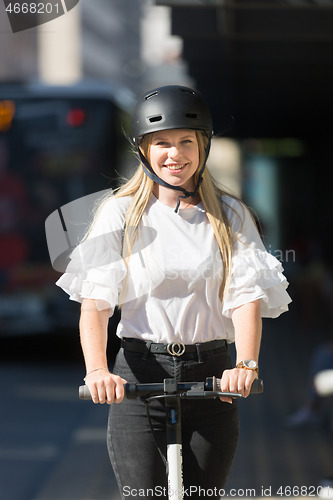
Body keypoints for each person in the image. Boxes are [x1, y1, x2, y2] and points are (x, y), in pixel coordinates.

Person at [56, 85, 291, 498]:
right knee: (143, 494)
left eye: (186, 141)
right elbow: (95, 305)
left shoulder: (230, 214)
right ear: (144, 151)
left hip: (213, 374)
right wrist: (97, 371)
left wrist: (246, 365)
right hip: (139, 372)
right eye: (162, 143)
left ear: (203, 147)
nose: (175, 154)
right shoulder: (121, 213)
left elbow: (245, 297)